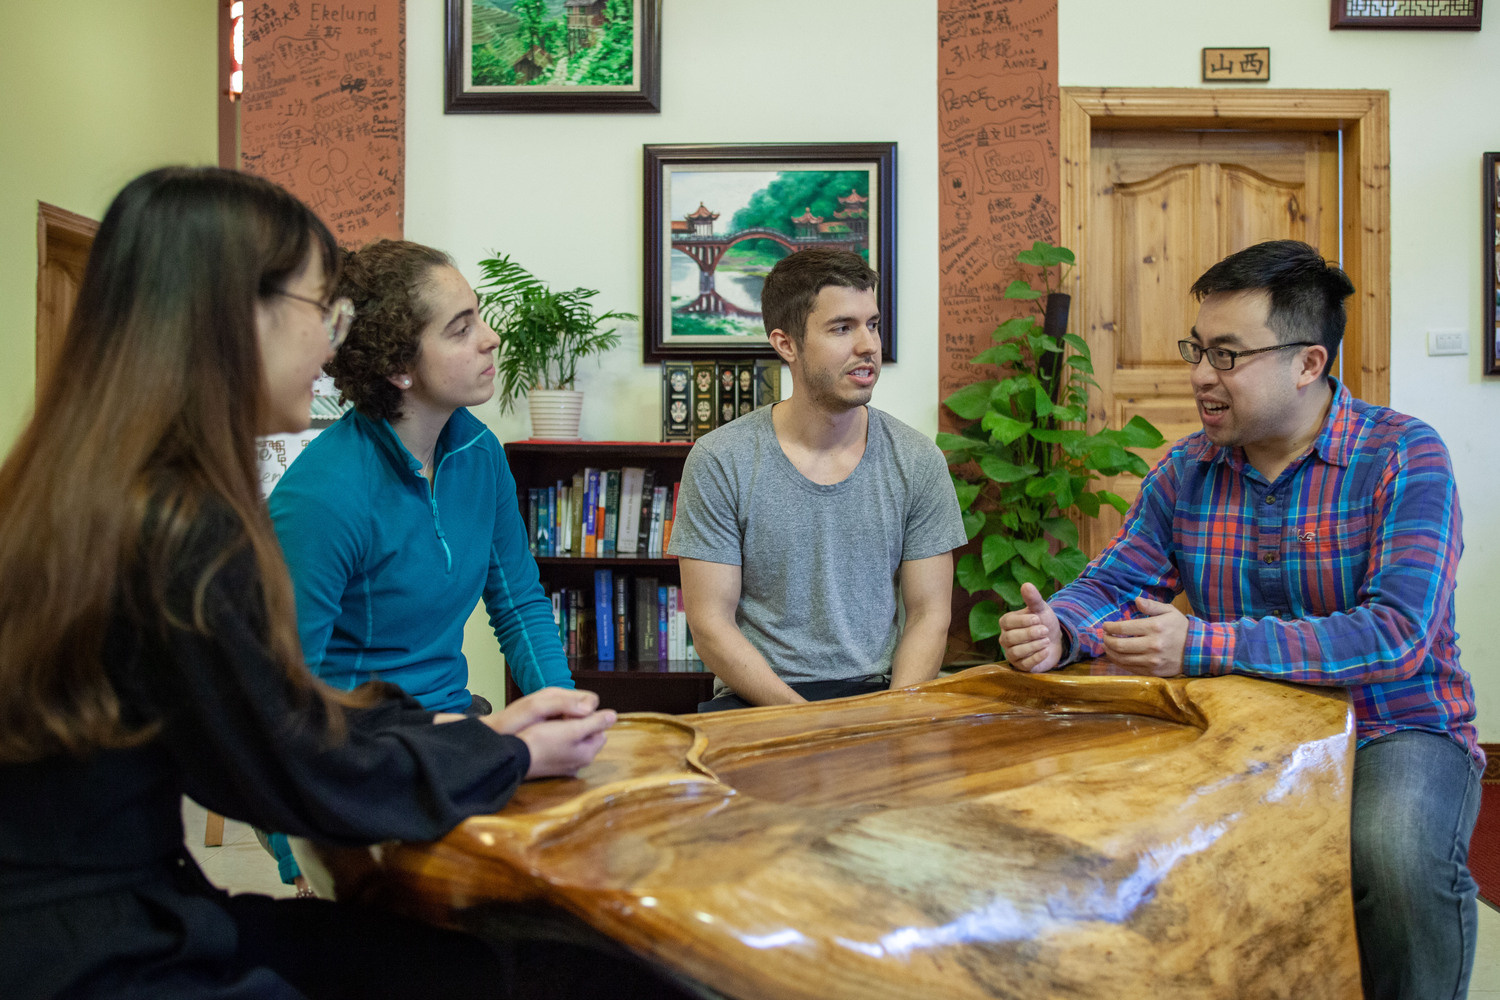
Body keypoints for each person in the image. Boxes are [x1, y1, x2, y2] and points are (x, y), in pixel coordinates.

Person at [0, 166, 693, 999]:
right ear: (229, 318)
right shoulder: (184, 522)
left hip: (127, 907)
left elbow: (263, 732)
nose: (333, 348)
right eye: (319, 314)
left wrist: (500, 737)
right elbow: (290, 751)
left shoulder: (105, 490)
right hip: (99, 954)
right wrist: (498, 750)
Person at [997, 240, 1480, 1000]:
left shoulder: (1405, 456)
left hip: (1395, 724)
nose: (1198, 377)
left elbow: (1397, 634)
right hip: (1238, 728)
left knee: (1393, 855)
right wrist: (1058, 628)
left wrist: (1203, 644)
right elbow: (1114, 581)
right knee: (1134, 849)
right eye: (1198, 349)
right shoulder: (1185, 469)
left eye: (1227, 355)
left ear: (1309, 363)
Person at [262, 239, 573, 890]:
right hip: (360, 759)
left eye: (480, 316)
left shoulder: (478, 451)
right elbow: (281, 705)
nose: (490, 339)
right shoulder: (322, 498)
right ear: (400, 366)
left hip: (457, 732)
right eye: (462, 328)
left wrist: (561, 709)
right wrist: (304, 859)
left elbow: (516, 602)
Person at [669, 248, 967, 711]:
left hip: (881, 692)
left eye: (873, 324)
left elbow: (929, 615)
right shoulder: (720, 460)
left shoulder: (916, 459)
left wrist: (893, 713)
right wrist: (806, 724)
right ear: (786, 344)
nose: (868, 345)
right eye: (842, 328)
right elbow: (711, 625)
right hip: (759, 701)